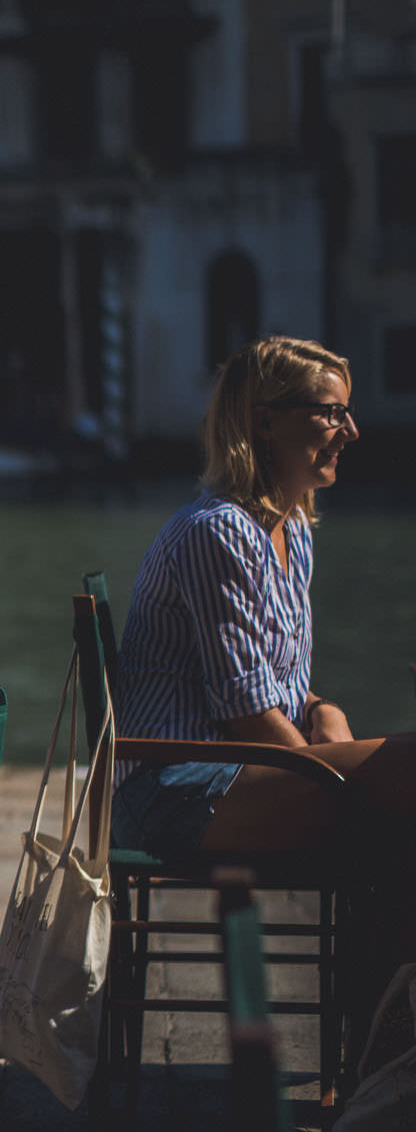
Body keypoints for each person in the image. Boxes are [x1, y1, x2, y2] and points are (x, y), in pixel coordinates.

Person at [112, 338, 416, 904]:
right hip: (173, 793)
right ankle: (373, 988)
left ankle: (375, 987)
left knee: (395, 814)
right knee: (403, 776)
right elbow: (248, 713)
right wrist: (336, 777)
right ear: (266, 421)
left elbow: (273, 686)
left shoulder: (293, 531)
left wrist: (323, 708)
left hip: (229, 772)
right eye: (331, 413)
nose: (349, 432)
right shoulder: (216, 532)